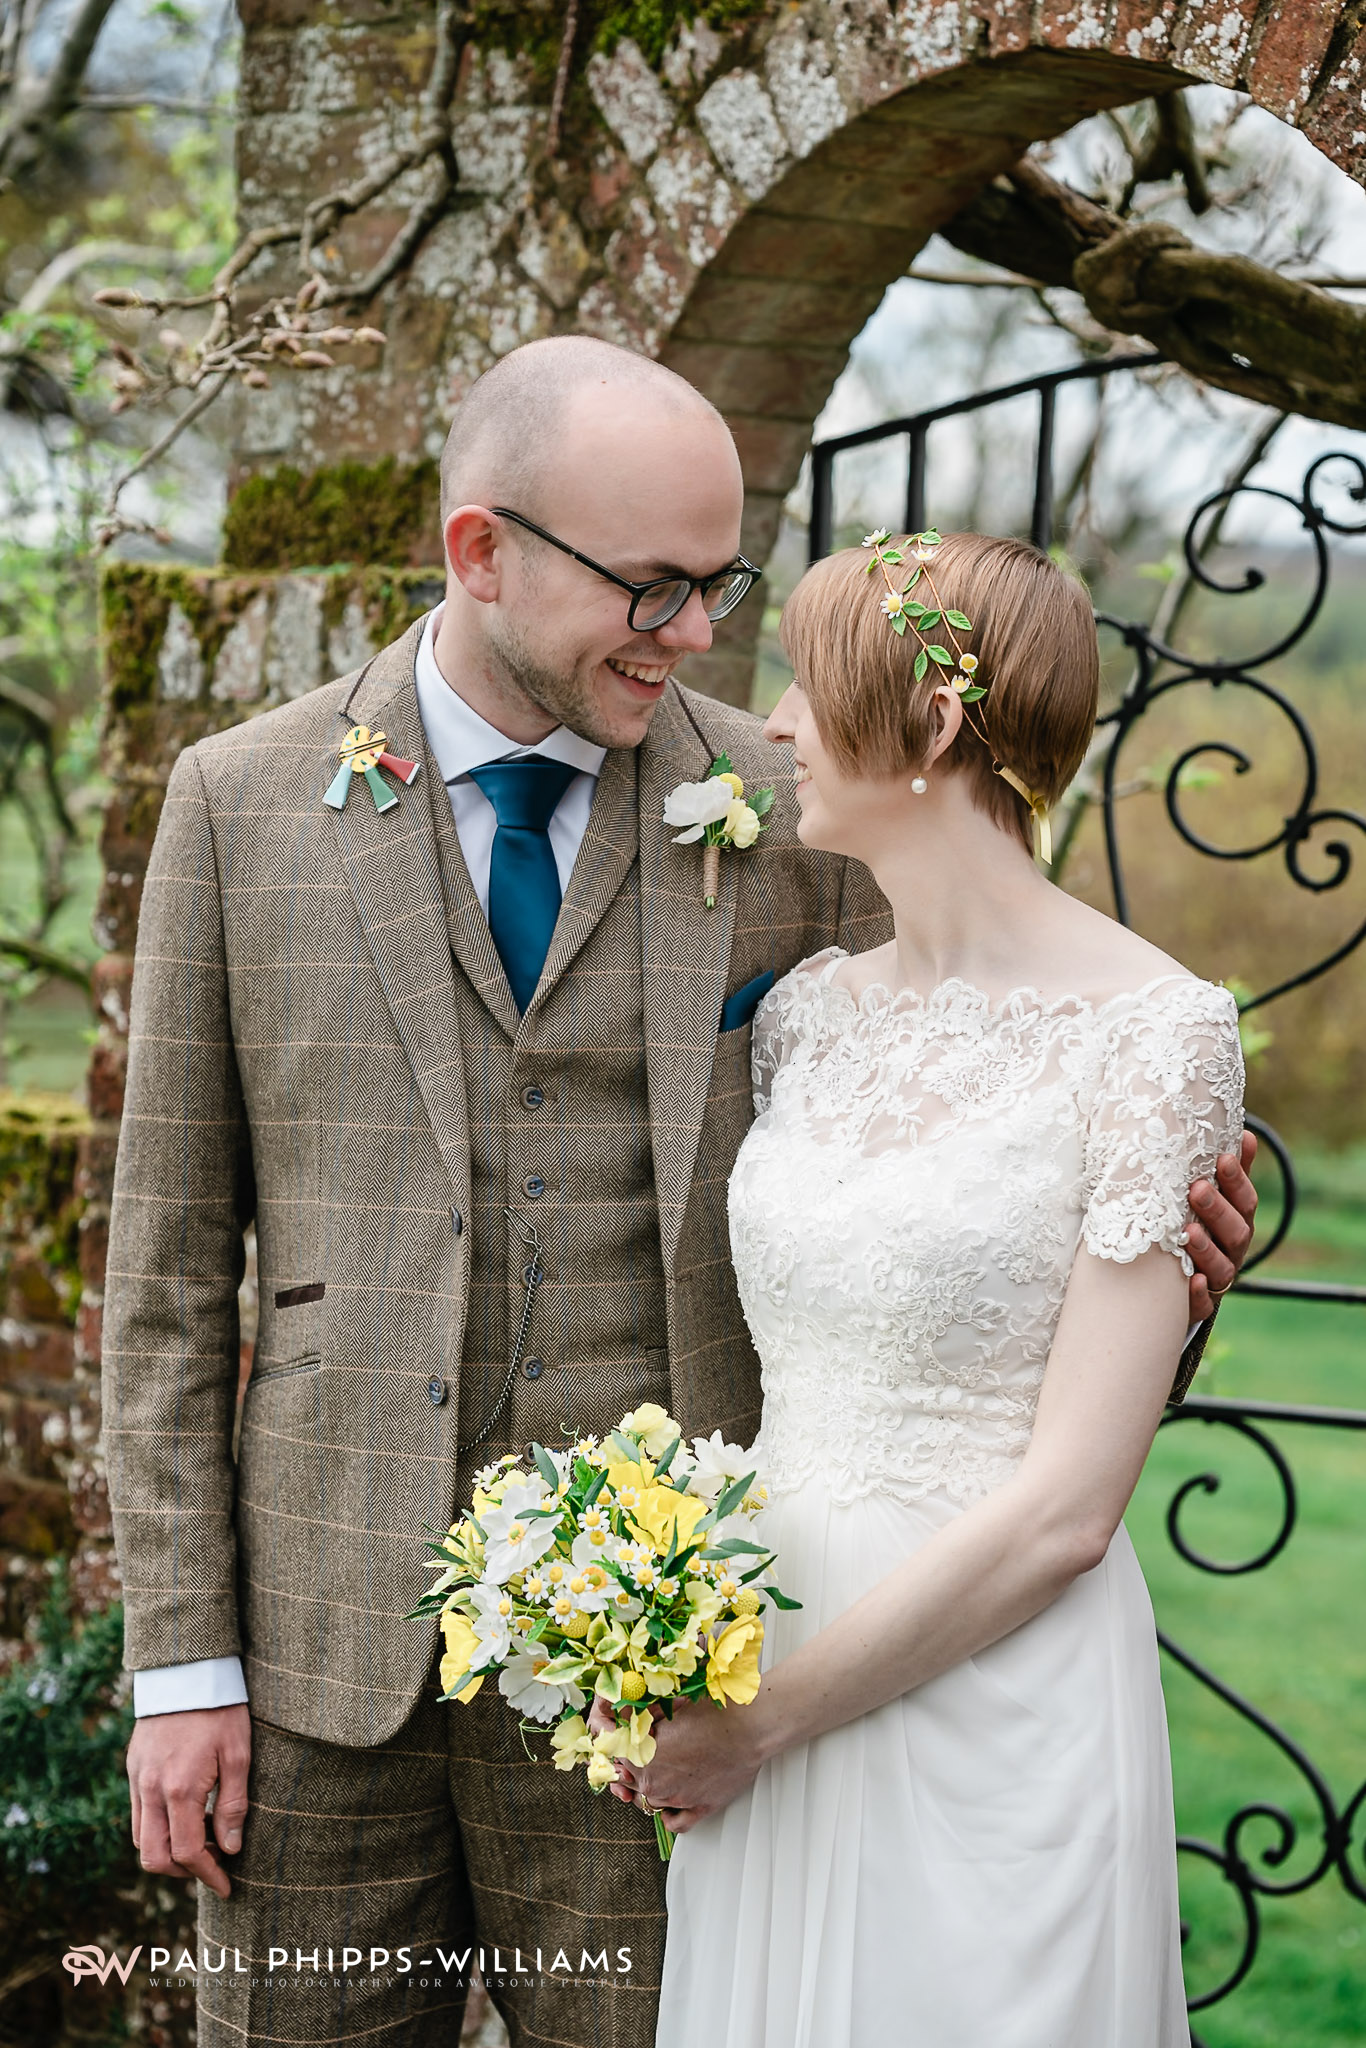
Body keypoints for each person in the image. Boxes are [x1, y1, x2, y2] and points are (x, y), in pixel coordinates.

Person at [104, 342, 1254, 2048]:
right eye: (651, 585)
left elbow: (996, 1152)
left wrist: (1169, 1283)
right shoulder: (240, 801)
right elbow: (174, 1270)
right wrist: (181, 1668)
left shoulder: (803, 811)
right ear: (480, 552)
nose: (696, 632)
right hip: (319, 1664)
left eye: (718, 582)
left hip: (685, 1673)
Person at [629, 530, 1247, 2048]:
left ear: (935, 720)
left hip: (980, 1688)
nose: (769, 721)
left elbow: (1065, 1513)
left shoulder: (1157, 1033)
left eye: (804, 678)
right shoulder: (805, 1018)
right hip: (757, 1636)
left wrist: (762, 1724)